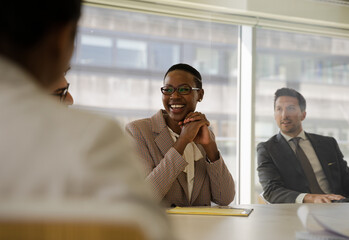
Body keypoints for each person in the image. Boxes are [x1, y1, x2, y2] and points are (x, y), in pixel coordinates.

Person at [0, 1, 172, 239]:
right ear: (61, 36)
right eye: (60, 91)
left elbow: (225, 195)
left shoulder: (204, 135)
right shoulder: (95, 138)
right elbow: (151, 231)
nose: (70, 99)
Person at [126, 63, 235, 207]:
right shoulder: (138, 131)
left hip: (202, 228)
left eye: (184, 89)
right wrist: (182, 142)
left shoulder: (204, 133)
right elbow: (144, 198)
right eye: (168, 89)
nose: (174, 96)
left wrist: (210, 147)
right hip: (161, 229)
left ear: (200, 95)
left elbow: (225, 198)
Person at [257, 87, 349, 203]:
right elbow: (272, 191)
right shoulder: (267, 149)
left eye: (290, 109)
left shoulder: (328, 144)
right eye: (279, 109)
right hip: (299, 212)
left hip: (339, 206)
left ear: (303, 115)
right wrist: (312, 198)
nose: (284, 115)